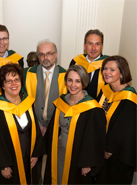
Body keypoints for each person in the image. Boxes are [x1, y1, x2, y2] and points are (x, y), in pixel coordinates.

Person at [0, 63, 45, 184]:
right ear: (2, 85)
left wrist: (36, 154)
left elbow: (35, 129)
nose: (14, 84)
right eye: (8, 81)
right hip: (9, 163)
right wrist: (3, 165)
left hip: (28, 160)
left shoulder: (27, 102)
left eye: (16, 80)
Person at [43, 65, 106, 184]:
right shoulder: (62, 102)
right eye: (70, 80)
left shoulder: (92, 108)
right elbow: (53, 129)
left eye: (78, 81)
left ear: (84, 82)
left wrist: (87, 163)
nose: (73, 85)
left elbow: (93, 139)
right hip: (59, 150)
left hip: (78, 155)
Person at [96, 55, 137, 184]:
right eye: (105, 68)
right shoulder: (106, 91)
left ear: (121, 73)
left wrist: (109, 150)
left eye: (112, 70)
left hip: (118, 157)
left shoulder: (129, 99)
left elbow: (126, 131)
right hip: (101, 151)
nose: (107, 72)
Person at [22, 39, 67, 136]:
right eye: (42, 54)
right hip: (33, 125)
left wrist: (52, 126)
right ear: (38, 57)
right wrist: (38, 125)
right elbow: (22, 102)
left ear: (55, 55)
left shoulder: (66, 76)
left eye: (49, 54)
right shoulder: (27, 74)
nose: (45, 57)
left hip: (57, 128)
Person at [69, 29, 109, 99]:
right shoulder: (76, 62)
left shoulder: (108, 65)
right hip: (76, 106)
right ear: (84, 46)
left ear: (102, 46)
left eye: (97, 44)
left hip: (97, 107)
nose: (93, 48)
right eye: (90, 43)